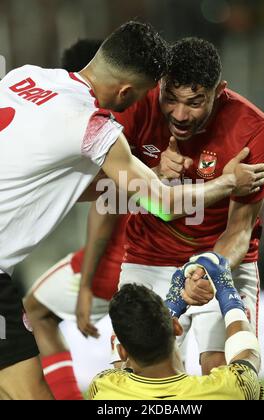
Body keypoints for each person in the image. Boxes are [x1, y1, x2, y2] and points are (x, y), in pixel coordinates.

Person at [0, 21, 264, 400]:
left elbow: (65, 186)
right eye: (154, 95)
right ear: (129, 91)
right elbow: (162, 203)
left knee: (20, 387)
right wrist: (228, 183)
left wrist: (149, 174)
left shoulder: (24, 77)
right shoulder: (94, 125)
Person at [111, 37, 264, 375]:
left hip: (220, 260)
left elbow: (240, 229)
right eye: (170, 99)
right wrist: (153, 175)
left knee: (223, 373)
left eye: (195, 102)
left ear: (219, 92)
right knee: (136, 380)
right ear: (159, 85)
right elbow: (101, 193)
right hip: (149, 257)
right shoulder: (136, 108)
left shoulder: (254, 130)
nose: (180, 114)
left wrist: (207, 271)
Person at [23, 39, 127, 400]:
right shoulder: (135, 112)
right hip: (168, 257)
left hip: (121, 262)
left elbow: (109, 197)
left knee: (35, 313)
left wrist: (85, 286)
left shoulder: (98, 121)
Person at [89, 252, 263, 400]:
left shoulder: (102, 389)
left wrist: (172, 307)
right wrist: (228, 295)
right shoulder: (227, 391)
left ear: (122, 352)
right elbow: (249, 357)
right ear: (176, 327)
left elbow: (123, 371)